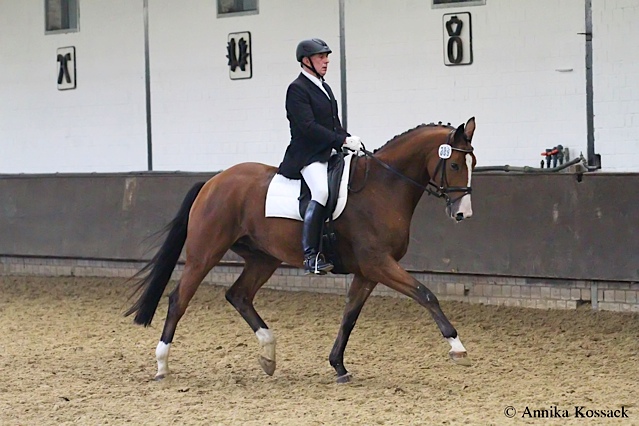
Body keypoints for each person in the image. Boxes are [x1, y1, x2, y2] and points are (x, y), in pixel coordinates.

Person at [277, 38, 363, 275]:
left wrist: (349, 139)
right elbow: (308, 127)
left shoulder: (323, 86)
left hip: (329, 152)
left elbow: (333, 125)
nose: (326, 61)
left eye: (327, 57)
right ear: (306, 61)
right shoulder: (297, 89)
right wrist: (340, 141)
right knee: (321, 192)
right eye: (320, 57)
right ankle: (311, 255)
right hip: (307, 155)